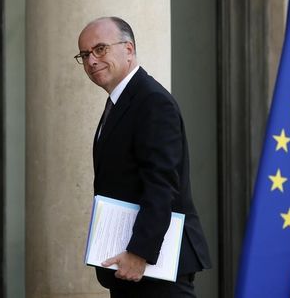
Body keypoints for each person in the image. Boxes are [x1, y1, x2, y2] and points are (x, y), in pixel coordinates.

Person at [75, 17, 211, 297]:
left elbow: (162, 184)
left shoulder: (152, 101)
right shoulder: (120, 101)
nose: (91, 61)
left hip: (155, 266)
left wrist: (140, 252)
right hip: (130, 267)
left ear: (129, 49)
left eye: (100, 49)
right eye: (85, 54)